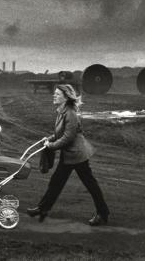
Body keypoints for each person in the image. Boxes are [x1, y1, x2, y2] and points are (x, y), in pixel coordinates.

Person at [27, 84, 110, 226]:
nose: (54, 95)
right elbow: (60, 133)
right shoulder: (62, 111)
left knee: (90, 184)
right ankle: (43, 209)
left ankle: (103, 214)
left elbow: (68, 137)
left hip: (77, 155)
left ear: (66, 97)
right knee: (56, 182)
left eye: (58, 94)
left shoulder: (70, 113)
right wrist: (49, 138)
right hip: (69, 155)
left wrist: (51, 146)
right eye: (55, 93)